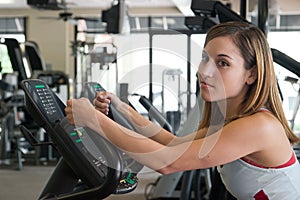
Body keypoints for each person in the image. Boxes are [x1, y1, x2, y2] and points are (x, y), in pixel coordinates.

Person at [65, 21, 300, 199]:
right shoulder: (233, 120)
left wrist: (95, 121)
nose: (204, 71)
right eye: (204, 58)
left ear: (252, 74)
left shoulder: (259, 126)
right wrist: (123, 109)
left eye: (223, 63)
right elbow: (173, 144)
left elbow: (167, 162)